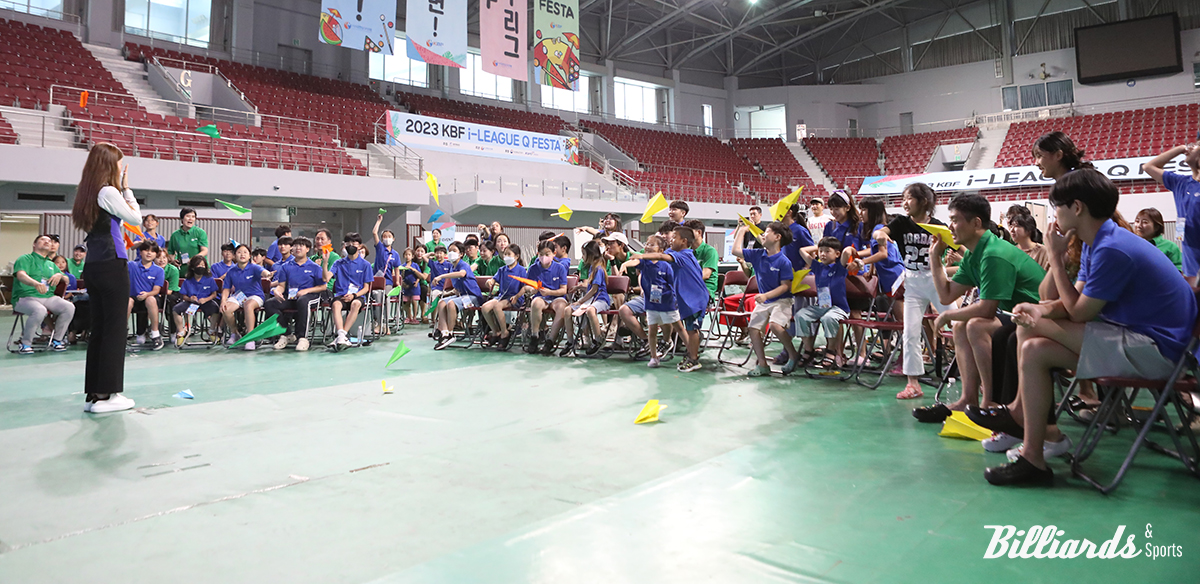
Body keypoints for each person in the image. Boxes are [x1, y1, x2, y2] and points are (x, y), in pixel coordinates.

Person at [989, 169, 1199, 486]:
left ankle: (1020, 416)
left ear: (1076, 208)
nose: (1053, 214)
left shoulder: (1112, 248)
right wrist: (1040, 307)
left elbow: (1079, 313)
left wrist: (1056, 260)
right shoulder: (1096, 241)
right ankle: (1034, 455)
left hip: (1160, 352)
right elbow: (1075, 301)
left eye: (1056, 206)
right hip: (1133, 340)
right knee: (1033, 346)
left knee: (1030, 329)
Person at [920, 194, 1045, 421]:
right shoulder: (973, 255)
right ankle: (968, 399)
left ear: (976, 223)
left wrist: (948, 314)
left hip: (1039, 318)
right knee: (960, 326)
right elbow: (946, 294)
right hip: (1014, 316)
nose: (950, 227)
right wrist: (934, 258)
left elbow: (986, 310)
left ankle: (991, 402)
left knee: (977, 325)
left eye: (955, 220)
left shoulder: (994, 253)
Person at [73, 143, 141, 413]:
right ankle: (109, 394)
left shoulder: (87, 193)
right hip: (112, 265)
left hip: (94, 266)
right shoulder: (109, 191)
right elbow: (134, 217)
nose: (119, 168)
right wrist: (127, 189)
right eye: (117, 163)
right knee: (114, 329)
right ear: (108, 165)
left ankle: (96, 394)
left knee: (100, 329)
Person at [874, 183, 951, 400]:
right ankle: (913, 384)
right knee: (910, 332)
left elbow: (960, 248)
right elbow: (882, 231)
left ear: (924, 201)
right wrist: (880, 235)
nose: (905, 203)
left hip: (937, 279)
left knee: (959, 325)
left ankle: (975, 377)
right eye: (904, 198)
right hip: (913, 282)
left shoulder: (939, 226)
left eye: (909, 198)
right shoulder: (900, 222)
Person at [637, 226, 708, 372]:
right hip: (686, 299)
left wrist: (641, 256)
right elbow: (661, 253)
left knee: (692, 329)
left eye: (674, 237)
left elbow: (661, 256)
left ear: (684, 241)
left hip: (696, 298)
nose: (671, 239)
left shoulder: (684, 255)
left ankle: (694, 359)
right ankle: (691, 355)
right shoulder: (673, 251)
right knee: (688, 328)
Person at [732, 221, 798, 376]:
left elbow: (785, 286)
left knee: (775, 325)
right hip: (764, 301)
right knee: (753, 329)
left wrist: (766, 295)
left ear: (777, 237)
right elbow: (735, 250)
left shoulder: (784, 261)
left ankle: (793, 354)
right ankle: (762, 364)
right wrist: (742, 230)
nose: (762, 235)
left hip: (782, 301)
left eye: (766, 232)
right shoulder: (757, 254)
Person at [621, 234, 683, 368]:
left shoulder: (666, 266)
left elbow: (673, 284)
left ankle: (690, 351)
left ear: (661, 251)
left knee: (676, 326)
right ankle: (654, 357)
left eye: (651, 244)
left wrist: (675, 298)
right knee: (652, 329)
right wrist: (626, 263)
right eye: (646, 244)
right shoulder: (644, 262)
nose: (647, 247)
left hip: (667, 302)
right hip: (651, 302)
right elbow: (635, 261)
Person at [12, 234, 75, 353]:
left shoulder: (51, 264)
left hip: (48, 297)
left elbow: (66, 280)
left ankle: (57, 340)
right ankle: (25, 344)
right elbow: (21, 275)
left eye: (49, 241)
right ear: (34, 244)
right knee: (39, 310)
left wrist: (59, 274)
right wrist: (35, 284)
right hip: (25, 297)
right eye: (42, 240)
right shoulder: (25, 258)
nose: (47, 242)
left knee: (69, 307)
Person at [796, 237, 853, 367]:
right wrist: (819, 246)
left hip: (838, 308)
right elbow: (802, 250)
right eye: (821, 251)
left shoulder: (839, 267)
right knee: (801, 315)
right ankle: (808, 350)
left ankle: (831, 350)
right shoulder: (817, 266)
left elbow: (847, 253)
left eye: (827, 251)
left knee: (828, 318)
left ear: (837, 254)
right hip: (821, 306)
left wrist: (847, 248)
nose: (822, 254)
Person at [265, 237, 326, 351]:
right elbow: (281, 285)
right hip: (291, 297)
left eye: (301, 245)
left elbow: (323, 286)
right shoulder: (286, 267)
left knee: (302, 301)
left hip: (309, 297)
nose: (298, 248)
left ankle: (302, 337)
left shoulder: (314, 267)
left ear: (308, 249)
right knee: (270, 304)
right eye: (296, 245)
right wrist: (277, 291)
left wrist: (307, 291)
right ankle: (287, 334)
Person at [431, 241, 484, 350]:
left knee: (451, 303)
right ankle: (444, 333)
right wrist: (447, 293)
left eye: (454, 251)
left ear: (461, 254)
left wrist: (441, 276)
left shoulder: (463, 265)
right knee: (441, 303)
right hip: (461, 296)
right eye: (449, 251)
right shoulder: (452, 267)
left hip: (473, 298)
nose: (451, 253)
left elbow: (462, 274)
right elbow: (457, 288)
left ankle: (451, 333)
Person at [565, 240, 612, 355]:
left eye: (584, 254)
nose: (582, 257)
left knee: (591, 311)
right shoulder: (592, 268)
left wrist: (580, 301)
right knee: (567, 310)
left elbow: (595, 290)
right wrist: (579, 288)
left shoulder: (599, 269)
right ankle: (571, 341)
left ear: (590, 255)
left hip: (601, 300)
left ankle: (598, 339)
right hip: (591, 299)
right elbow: (590, 288)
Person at [326, 233, 373, 347]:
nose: (351, 245)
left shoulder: (365, 265)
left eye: (354, 243)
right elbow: (326, 278)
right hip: (341, 295)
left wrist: (354, 295)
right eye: (348, 243)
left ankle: (342, 335)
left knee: (356, 304)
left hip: (357, 296)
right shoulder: (338, 263)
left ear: (360, 246)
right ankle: (341, 336)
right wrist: (325, 262)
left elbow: (366, 288)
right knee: (336, 305)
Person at [524, 240, 570, 353]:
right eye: (541, 254)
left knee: (561, 308)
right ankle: (535, 336)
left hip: (556, 297)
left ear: (554, 253)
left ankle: (550, 340)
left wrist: (550, 292)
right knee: (535, 303)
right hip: (541, 297)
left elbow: (563, 290)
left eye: (547, 254)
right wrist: (532, 290)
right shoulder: (533, 268)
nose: (544, 257)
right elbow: (527, 286)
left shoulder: (560, 268)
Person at [219, 244, 267, 351]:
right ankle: (235, 333)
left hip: (255, 295)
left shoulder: (254, 267)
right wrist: (223, 301)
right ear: (235, 256)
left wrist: (267, 274)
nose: (242, 254)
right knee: (225, 309)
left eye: (245, 252)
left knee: (248, 305)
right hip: (240, 295)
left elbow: (263, 272)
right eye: (239, 252)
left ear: (249, 256)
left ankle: (250, 338)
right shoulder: (231, 271)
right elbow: (226, 288)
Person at [480, 244, 526, 349]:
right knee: (485, 308)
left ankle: (505, 333)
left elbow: (524, 287)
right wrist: (490, 281)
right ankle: (496, 332)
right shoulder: (502, 269)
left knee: (497, 307)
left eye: (509, 254)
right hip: (501, 297)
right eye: (505, 254)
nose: (506, 257)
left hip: (514, 298)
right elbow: (494, 279)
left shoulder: (521, 270)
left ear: (516, 256)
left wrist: (517, 296)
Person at [172, 255, 221, 346]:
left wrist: (206, 299)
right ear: (193, 267)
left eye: (203, 265)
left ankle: (212, 331)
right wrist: (190, 299)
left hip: (206, 302)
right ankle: (181, 332)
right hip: (191, 303)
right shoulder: (188, 281)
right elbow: (184, 296)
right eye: (199, 265)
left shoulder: (209, 279)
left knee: (216, 309)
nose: (201, 267)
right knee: (176, 309)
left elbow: (214, 294)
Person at [126, 241, 165, 350]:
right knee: (128, 301)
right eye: (146, 250)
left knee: (151, 300)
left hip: (149, 297)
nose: (149, 253)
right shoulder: (131, 265)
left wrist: (147, 294)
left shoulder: (159, 270)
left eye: (152, 251)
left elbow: (156, 290)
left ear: (156, 254)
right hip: (134, 298)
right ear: (140, 252)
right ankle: (122, 332)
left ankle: (155, 334)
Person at [1133, 207, 1183, 271]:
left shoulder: (1170, 247)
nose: (1139, 225)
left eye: (1145, 222)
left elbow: (1179, 270)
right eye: (1137, 221)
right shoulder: (1133, 244)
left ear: (1157, 227)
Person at [167, 207, 208, 276]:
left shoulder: (200, 232)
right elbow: (170, 252)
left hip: (199, 269)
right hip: (183, 270)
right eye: (188, 216)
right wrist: (173, 260)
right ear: (182, 219)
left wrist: (193, 260)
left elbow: (204, 250)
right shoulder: (175, 235)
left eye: (193, 217)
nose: (190, 219)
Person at [155, 245, 181, 325]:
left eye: (164, 258)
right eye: (158, 257)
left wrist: (157, 293)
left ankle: (173, 330)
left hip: (171, 293)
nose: (161, 260)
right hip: (156, 294)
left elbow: (170, 291)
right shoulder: (150, 269)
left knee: (170, 301)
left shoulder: (173, 270)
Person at [398, 248, 424, 324]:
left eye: (409, 255)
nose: (407, 256)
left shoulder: (415, 265)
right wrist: (403, 283)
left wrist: (417, 282)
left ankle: (415, 317)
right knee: (407, 302)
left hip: (415, 287)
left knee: (414, 301)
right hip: (406, 287)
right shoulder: (402, 266)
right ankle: (409, 316)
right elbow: (400, 276)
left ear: (412, 256)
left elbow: (419, 275)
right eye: (406, 255)